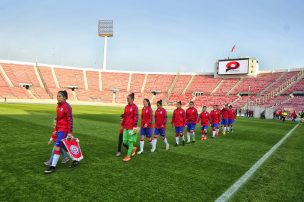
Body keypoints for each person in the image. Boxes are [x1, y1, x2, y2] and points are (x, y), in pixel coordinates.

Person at [44, 90, 75, 174]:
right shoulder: (58, 107)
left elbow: (70, 120)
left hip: (64, 130)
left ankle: (52, 166)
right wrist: (55, 130)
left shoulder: (67, 106)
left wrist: (69, 132)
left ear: (64, 97)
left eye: (60, 96)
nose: (58, 98)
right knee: (64, 146)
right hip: (59, 129)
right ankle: (75, 159)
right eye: (57, 96)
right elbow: (58, 120)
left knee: (57, 146)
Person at [121, 93, 138, 161]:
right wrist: (122, 125)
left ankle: (128, 156)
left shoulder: (135, 107)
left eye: (128, 98)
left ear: (132, 99)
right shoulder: (126, 107)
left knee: (130, 142)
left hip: (132, 127)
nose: (127, 100)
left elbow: (136, 117)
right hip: (126, 127)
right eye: (127, 98)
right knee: (124, 141)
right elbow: (124, 117)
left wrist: (134, 127)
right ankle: (133, 148)